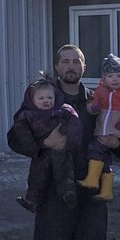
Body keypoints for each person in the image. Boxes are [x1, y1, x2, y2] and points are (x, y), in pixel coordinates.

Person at [7, 44, 120, 240]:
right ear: (57, 67)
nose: (71, 66)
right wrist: (45, 144)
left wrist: (117, 145)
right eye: (66, 61)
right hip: (54, 192)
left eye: (77, 61)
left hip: (93, 190)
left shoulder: (99, 99)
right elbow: (14, 137)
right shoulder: (42, 98)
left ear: (84, 68)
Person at [12, 73, 83, 212]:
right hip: (41, 153)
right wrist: (36, 149)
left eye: (50, 98)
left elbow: (75, 124)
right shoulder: (27, 115)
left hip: (61, 150)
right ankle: (32, 201)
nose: (46, 101)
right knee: (37, 176)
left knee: (65, 171)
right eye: (41, 98)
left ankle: (69, 194)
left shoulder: (63, 110)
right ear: (32, 100)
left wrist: (70, 142)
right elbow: (21, 134)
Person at [77, 53, 120, 202]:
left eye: (119, 76)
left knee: (94, 149)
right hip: (102, 131)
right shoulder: (100, 92)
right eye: (111, 75)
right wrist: (94, 107)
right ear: (104, 78)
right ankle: (106, 192)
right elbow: (89, 108)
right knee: (105, 161)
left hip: (118, 134)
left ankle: (92, 180)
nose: (115, 79)